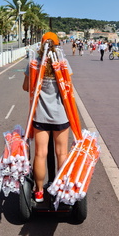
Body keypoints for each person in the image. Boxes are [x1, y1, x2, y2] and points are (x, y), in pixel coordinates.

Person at [22, 32, 70, 203]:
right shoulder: (62, 64)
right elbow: (68, 87)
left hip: (40, 116)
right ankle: (61, 189)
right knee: (61, 153)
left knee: (40, 154)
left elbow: (26, 87)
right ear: (57, 45)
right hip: (61, 116)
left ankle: (39, 191)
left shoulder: (34, 64)